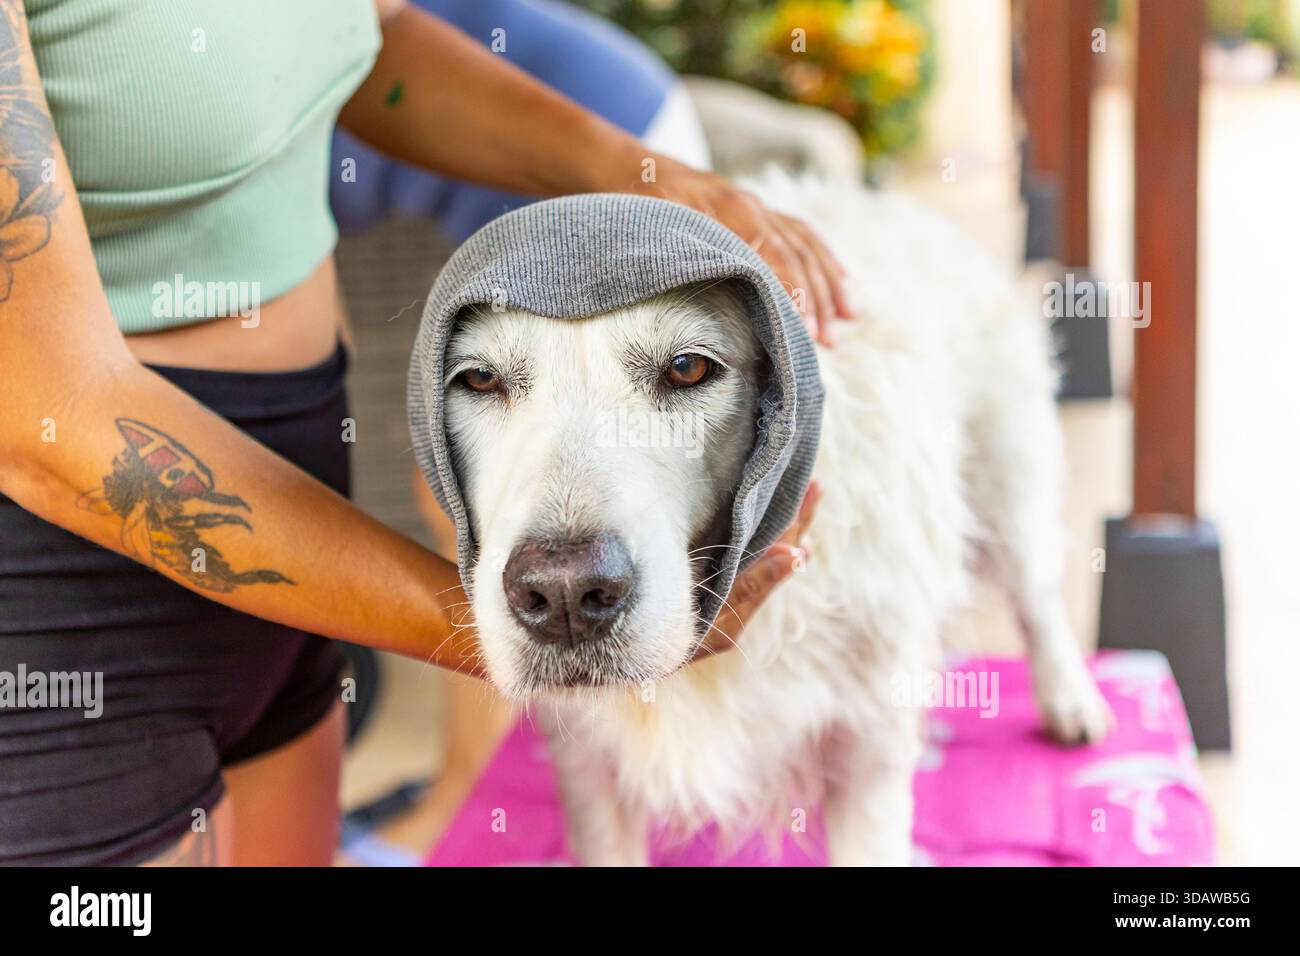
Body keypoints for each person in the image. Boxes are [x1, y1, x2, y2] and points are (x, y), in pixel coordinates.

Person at [0, 0, 849, 866]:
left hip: (302, 512)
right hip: (66, 589)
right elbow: (52, 416)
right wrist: (517, 621)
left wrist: (641, 174)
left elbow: (374, 42)